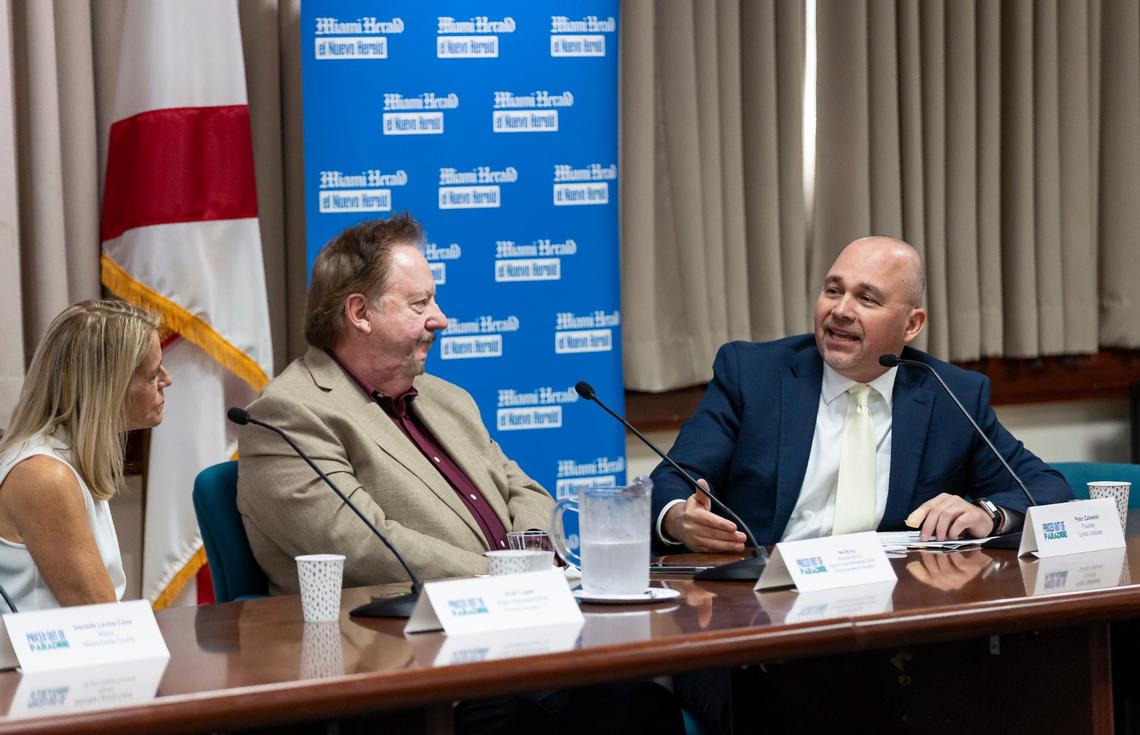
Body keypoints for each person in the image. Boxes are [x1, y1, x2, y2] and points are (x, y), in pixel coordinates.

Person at [652, 236, 1073, 553]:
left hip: (892, 614)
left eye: (866, 298)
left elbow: (1048, 487)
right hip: (764, 605)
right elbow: (671, 479)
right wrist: (678, 520)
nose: (840, 310)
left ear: (912, 325)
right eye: (833, 290)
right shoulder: (752, 374)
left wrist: (988, 513)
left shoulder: (951, 394)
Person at [237, 213, 556, 593]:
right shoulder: (288, 415)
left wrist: (532, 554)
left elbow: (525, 490)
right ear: (360, 313)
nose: (442, 319)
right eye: (420, 303)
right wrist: (506, 577)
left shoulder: (448, 398)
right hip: (383, 638)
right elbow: (365, 547)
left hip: (516, 609)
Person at [0, 299, 171, 611]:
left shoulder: (68, 457)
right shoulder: (44, 477)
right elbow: (101, 619)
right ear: (108, 386)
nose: (166, 380)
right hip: (37, 660)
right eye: (152, 374)